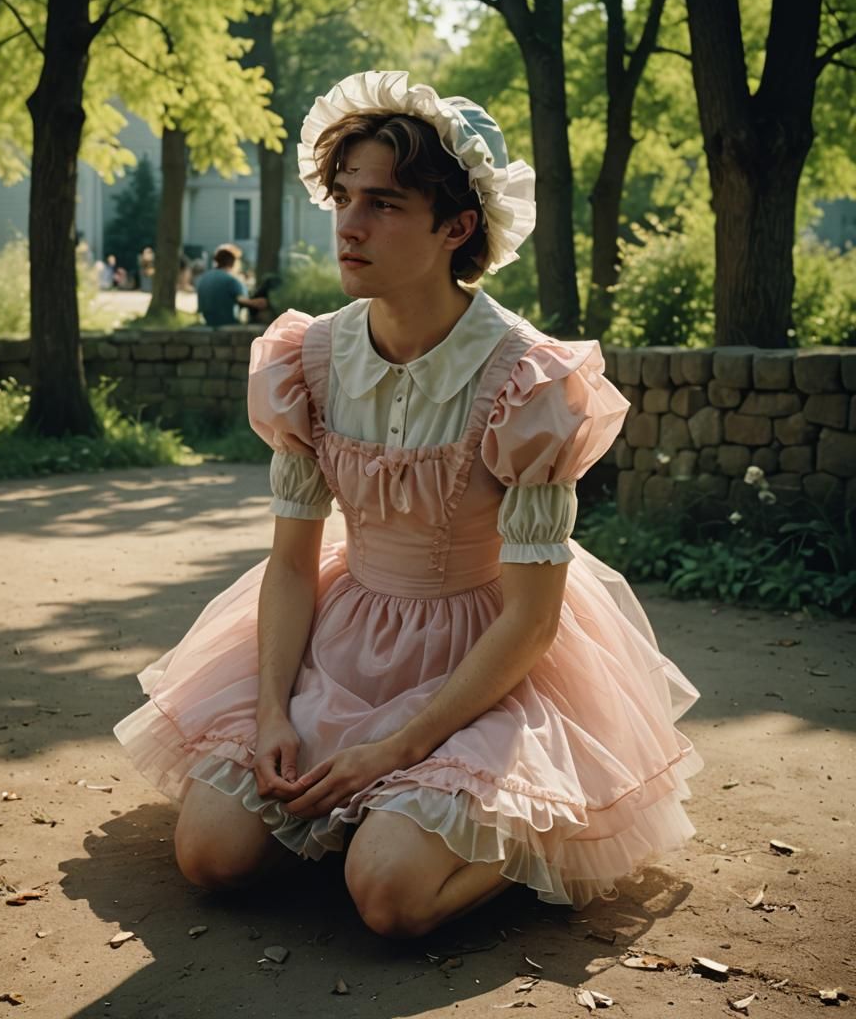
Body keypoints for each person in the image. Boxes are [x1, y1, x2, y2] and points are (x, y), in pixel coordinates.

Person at [114, 71, 701, 936]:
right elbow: (289, 561)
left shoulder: (526, 380)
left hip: (486, 658)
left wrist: (400, 746)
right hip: (347, 642)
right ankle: (369, 824)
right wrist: (275, 708)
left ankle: (506, 838)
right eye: (344, 196)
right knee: (212, 856)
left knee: (389, 899)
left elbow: (533, 620)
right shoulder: (307, 360)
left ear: (456, 226)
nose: (349, 225)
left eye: (383, 204)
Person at [195, 243, 268, 326]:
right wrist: (259, 302)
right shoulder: (230, 280)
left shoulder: (205, 277)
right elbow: (242, 301)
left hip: (207, 322)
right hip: (227, 323)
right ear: (233, 262)